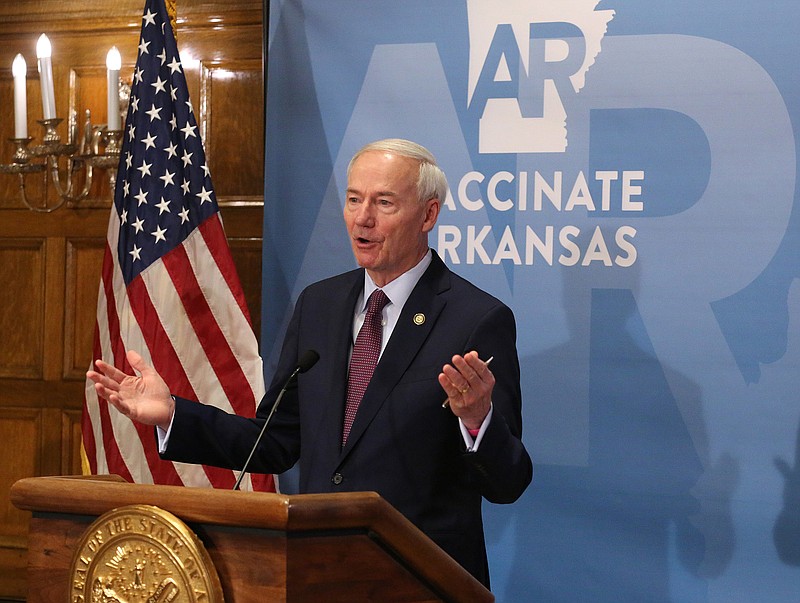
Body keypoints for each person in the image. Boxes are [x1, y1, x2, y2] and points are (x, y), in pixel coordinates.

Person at [87, 138, 532, 587]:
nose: (363, 218)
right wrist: (174, 414)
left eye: (384, 202)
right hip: (318, 571)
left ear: (429, 215)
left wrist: (478, 421)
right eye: (354, 199)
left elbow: (508, 483)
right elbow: (274, 441)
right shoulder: (319, 305)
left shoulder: (475, 319)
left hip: (418, 581)